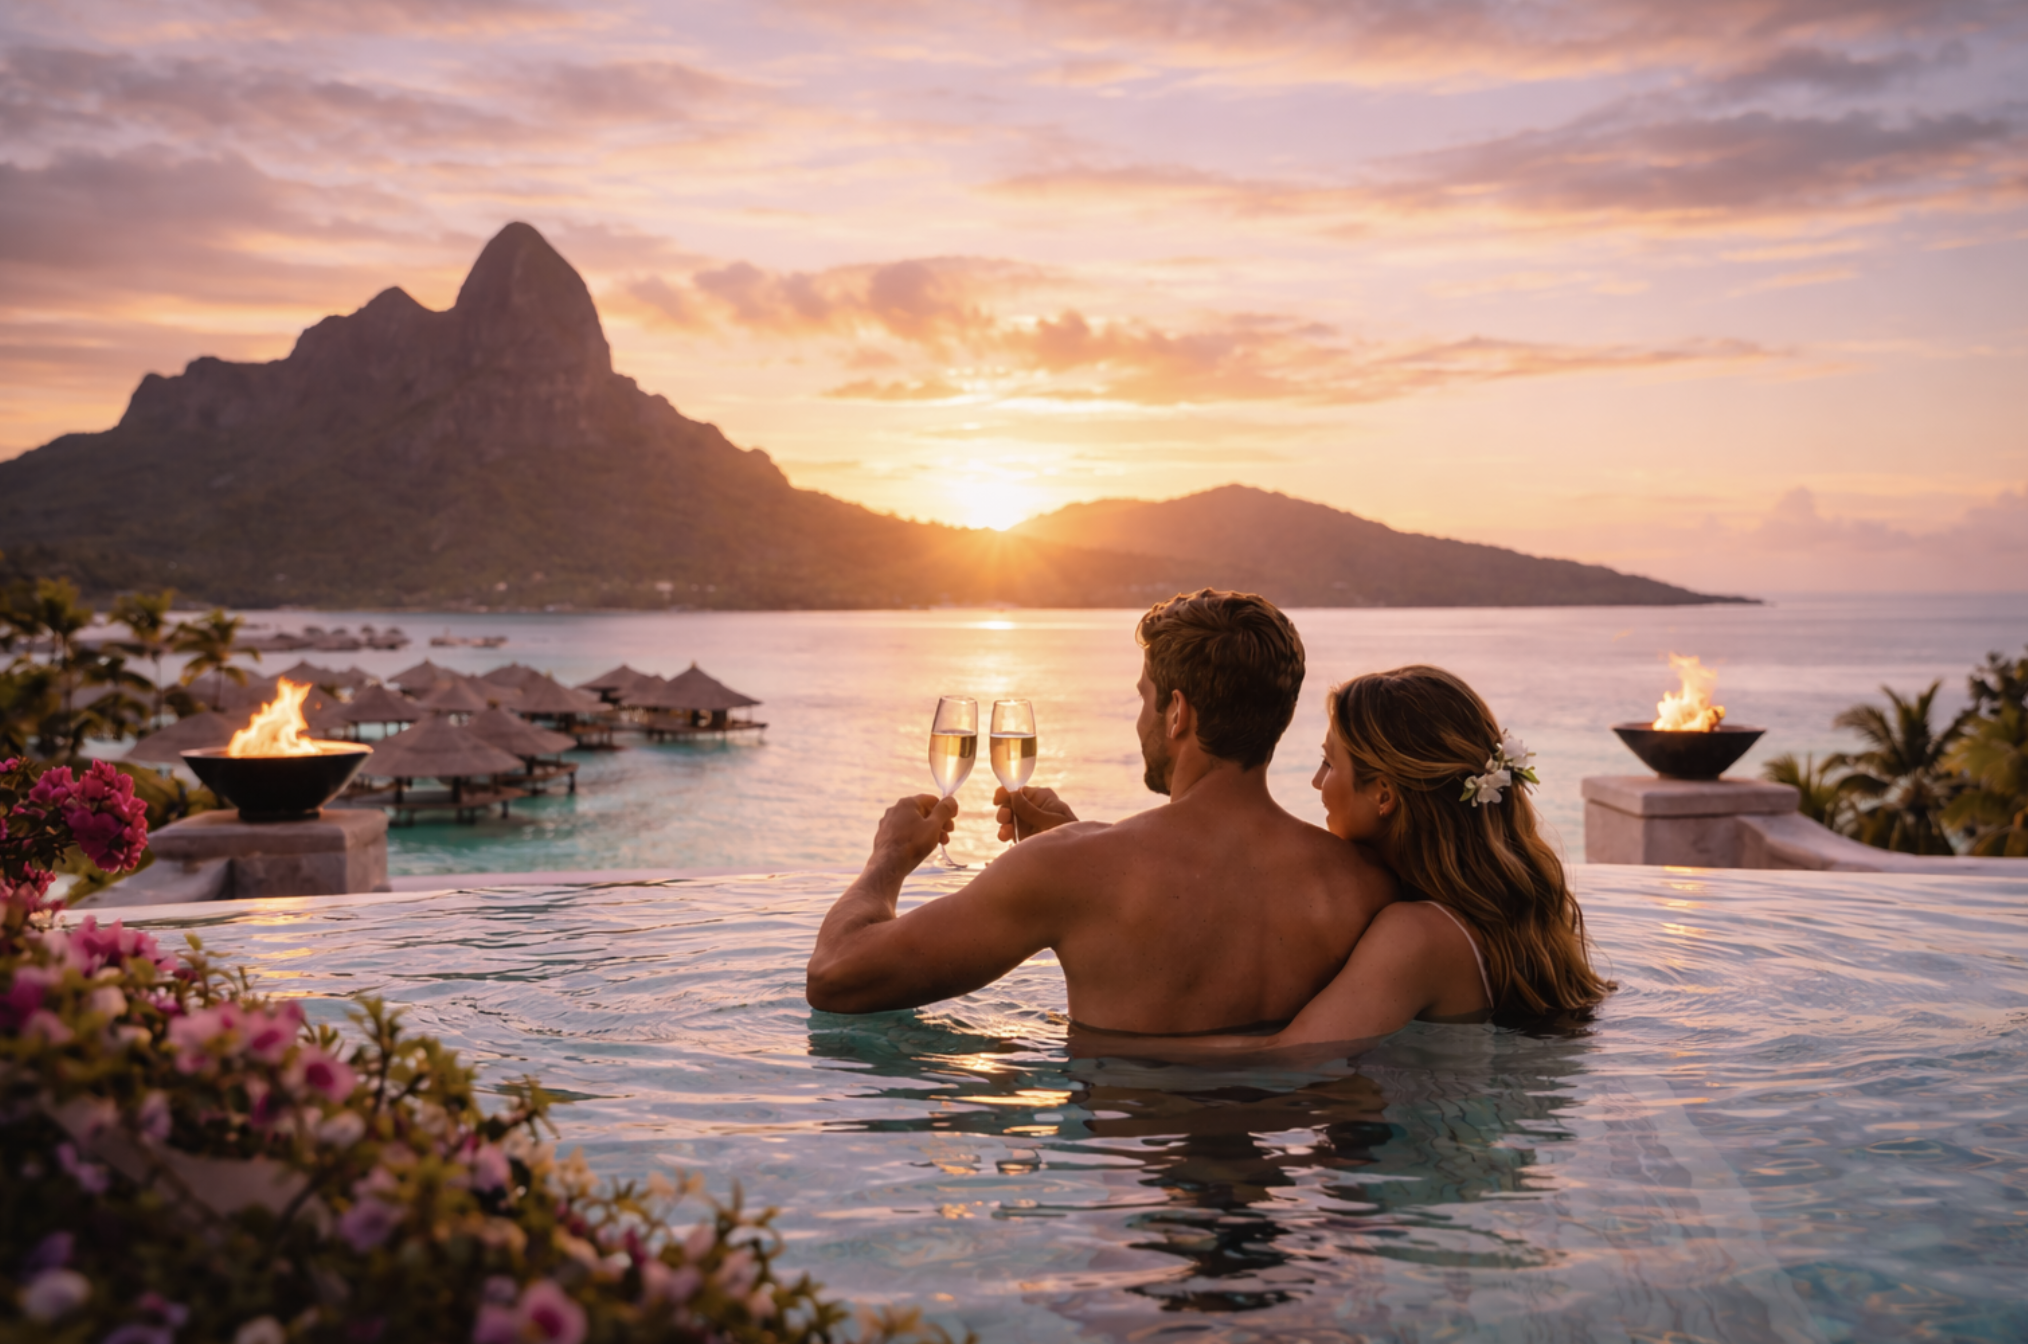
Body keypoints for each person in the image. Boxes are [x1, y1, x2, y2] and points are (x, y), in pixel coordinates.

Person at [805, 590, 1397, 1035]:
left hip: (1123, 1172)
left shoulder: (1074, 871)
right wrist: (1077, 838)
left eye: (1144, 697)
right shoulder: (1364, 885)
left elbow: (836, 978)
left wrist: (889, 859)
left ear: (1178, 713)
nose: (1139, 719)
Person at [1079, 665, 1616, 1061]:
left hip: (1398, 1186)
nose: (1316, 783)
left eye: (1328, 762)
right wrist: (1082, 849)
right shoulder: (1479, 911)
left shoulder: (1418, 934)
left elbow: (1285, 1057)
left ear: (1383, 794)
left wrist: (1099, 1047)